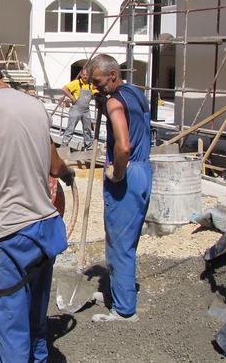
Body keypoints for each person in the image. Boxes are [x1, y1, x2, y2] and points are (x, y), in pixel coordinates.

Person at [0, 44, 74, 362]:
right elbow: (55, 166)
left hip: (13, 235)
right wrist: (69, 175)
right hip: (46, 229)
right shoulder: (35, 105)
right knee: (36, 317)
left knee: (10, 323)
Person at [87, 54, 152, 323]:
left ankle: (124, 310)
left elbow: (123, 145)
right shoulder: (135, 93)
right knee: (128, 241)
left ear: (113, 75)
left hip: (127, 173)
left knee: (119, 244)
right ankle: (119, 292)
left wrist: (117, 172)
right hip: (144, 170)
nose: (96, 88)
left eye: (99, 82)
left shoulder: (115, 101)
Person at [61, 67, 97, 149]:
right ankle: (63, 147)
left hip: (86, 110)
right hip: (76, 109)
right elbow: (64, 89)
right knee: (70, 129)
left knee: (87, 129)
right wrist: (72, 97)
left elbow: (96, 93)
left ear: (89, 76)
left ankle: (89, 147)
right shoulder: (76, 83)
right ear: (81, 75)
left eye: (87, 75)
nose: (85, 76)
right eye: (83, 75)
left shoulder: (90, 85)